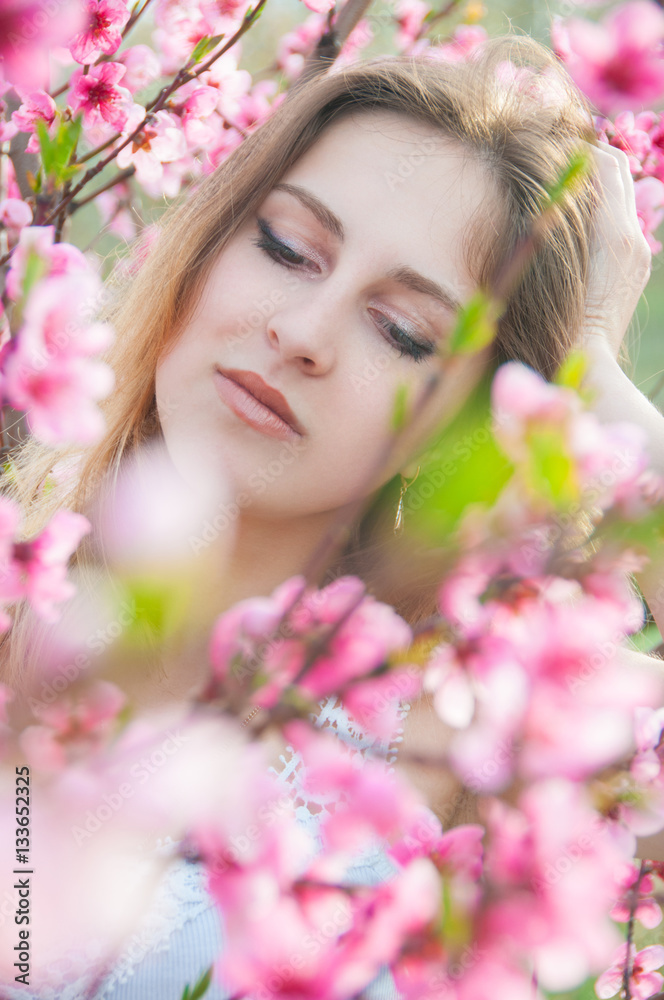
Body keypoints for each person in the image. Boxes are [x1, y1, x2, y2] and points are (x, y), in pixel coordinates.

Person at [2, 31, 664, 1000]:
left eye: (401, 330)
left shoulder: (466, 739)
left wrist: (593, 371)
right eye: (285, 246)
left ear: (459, 428)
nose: (302, 335)